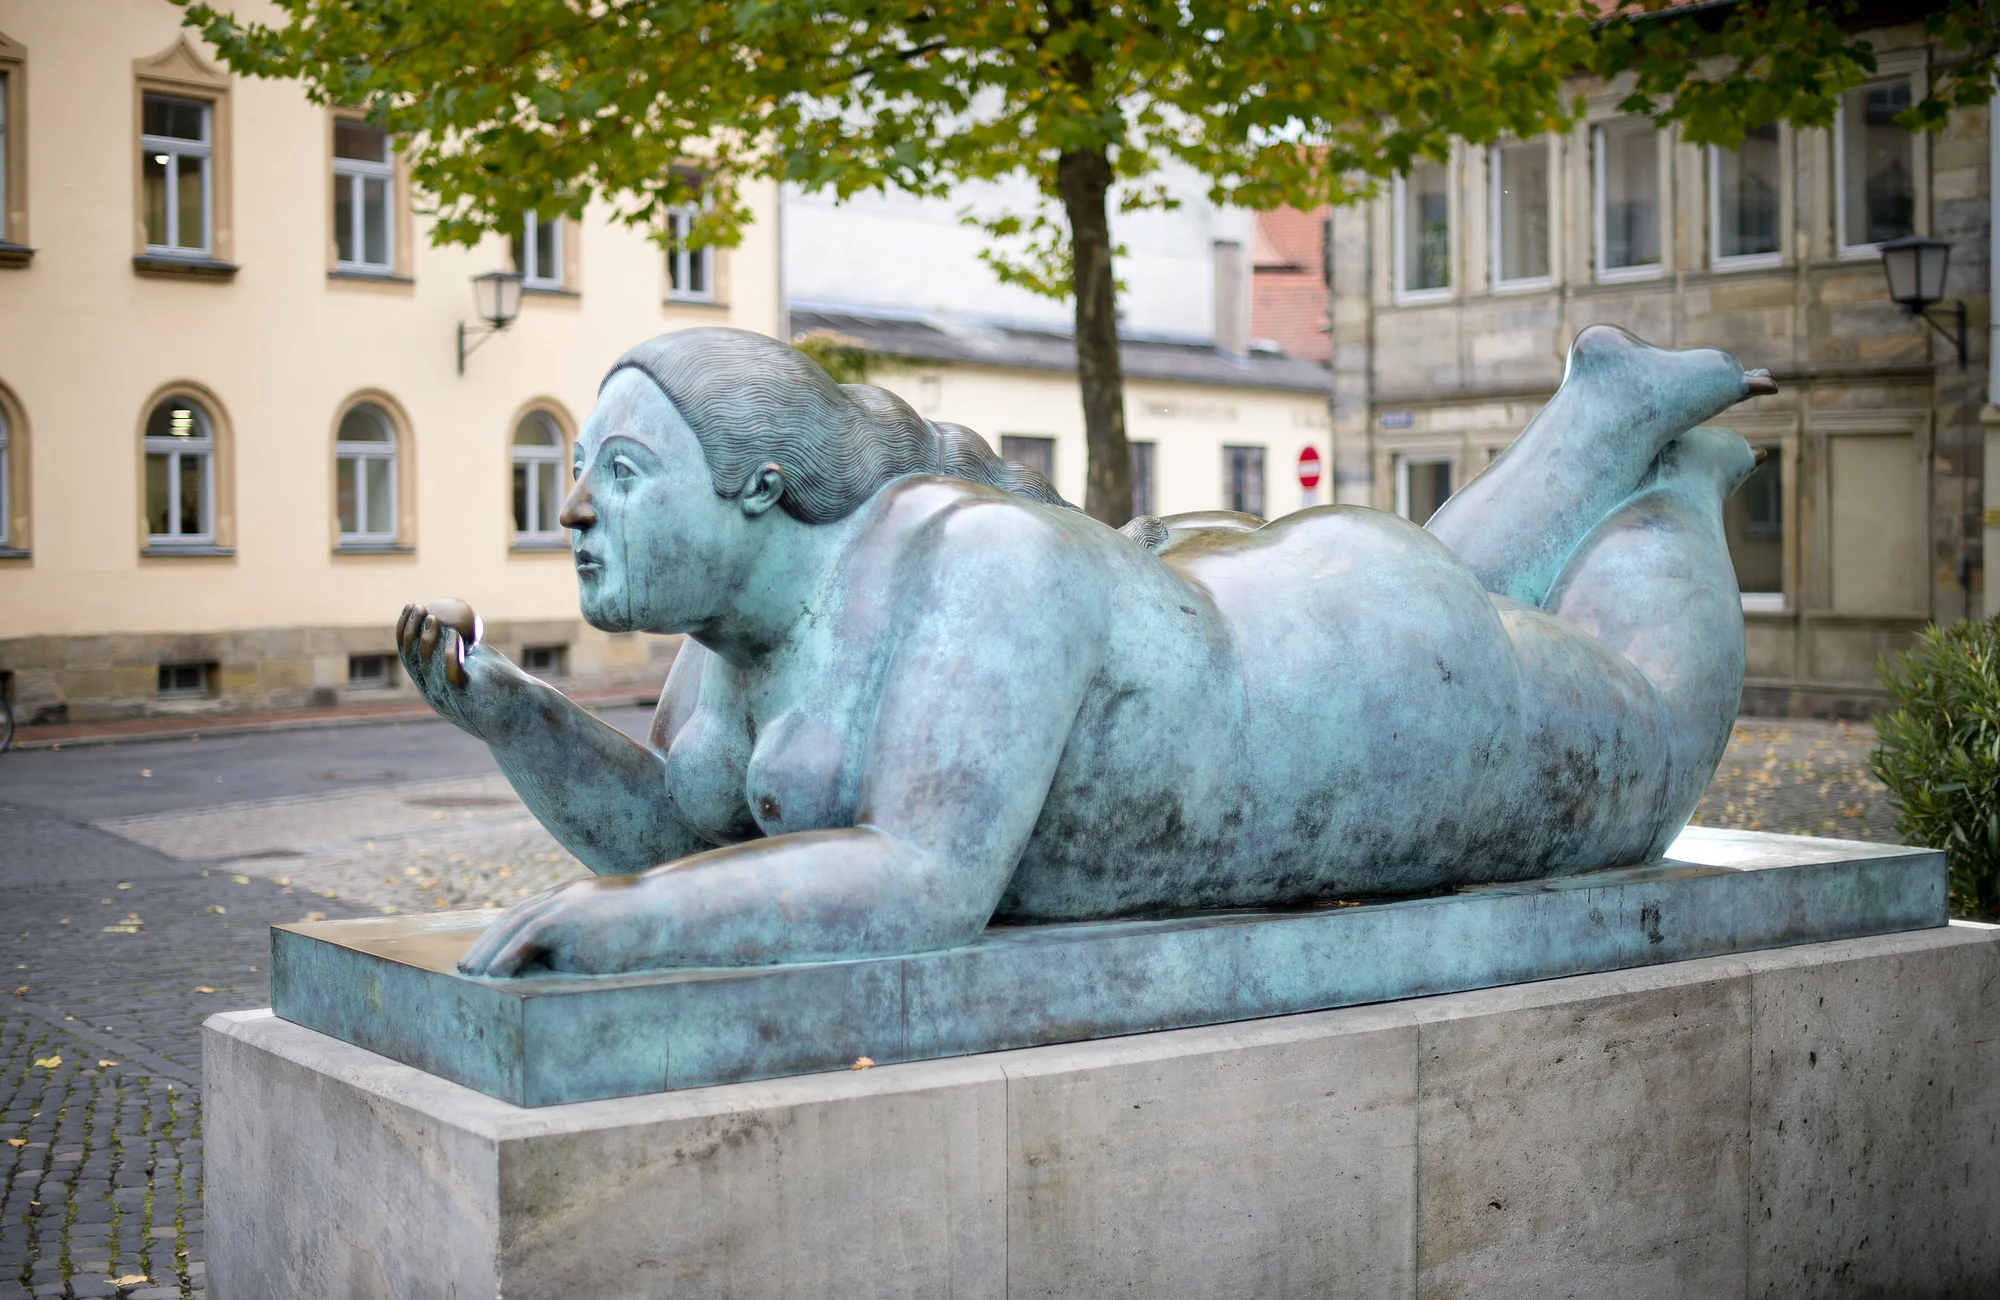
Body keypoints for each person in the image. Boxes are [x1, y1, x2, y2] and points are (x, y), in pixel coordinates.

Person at [398, 324, 1772, 976]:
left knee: (1648, 748)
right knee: (1450, 578)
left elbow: (925, 883)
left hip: (1380, 690)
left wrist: (621, 930)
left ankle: (1680, 482)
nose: (574, 509)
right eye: (579, 473)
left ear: (756, 489)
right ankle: (1600, 414)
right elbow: (679, 834)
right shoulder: (731, 649)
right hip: (1239, 608)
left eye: (623, 473)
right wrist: (514, 716)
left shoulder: (973, 569)